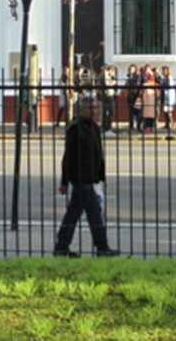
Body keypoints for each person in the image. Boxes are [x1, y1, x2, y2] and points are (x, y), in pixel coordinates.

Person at [54, 95, 116, 258]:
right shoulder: (75, 128)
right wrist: (64, 181)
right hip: (81, 177)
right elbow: (69, 156)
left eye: (96, 107)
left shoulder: (94, 127)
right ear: (81, 110)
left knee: (73, 213)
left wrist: (100, 175)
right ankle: (102, 247)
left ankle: (61, 245)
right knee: (94, 213)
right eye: (91, 108)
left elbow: (98, 153)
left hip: (91, 176)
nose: (95, 111)